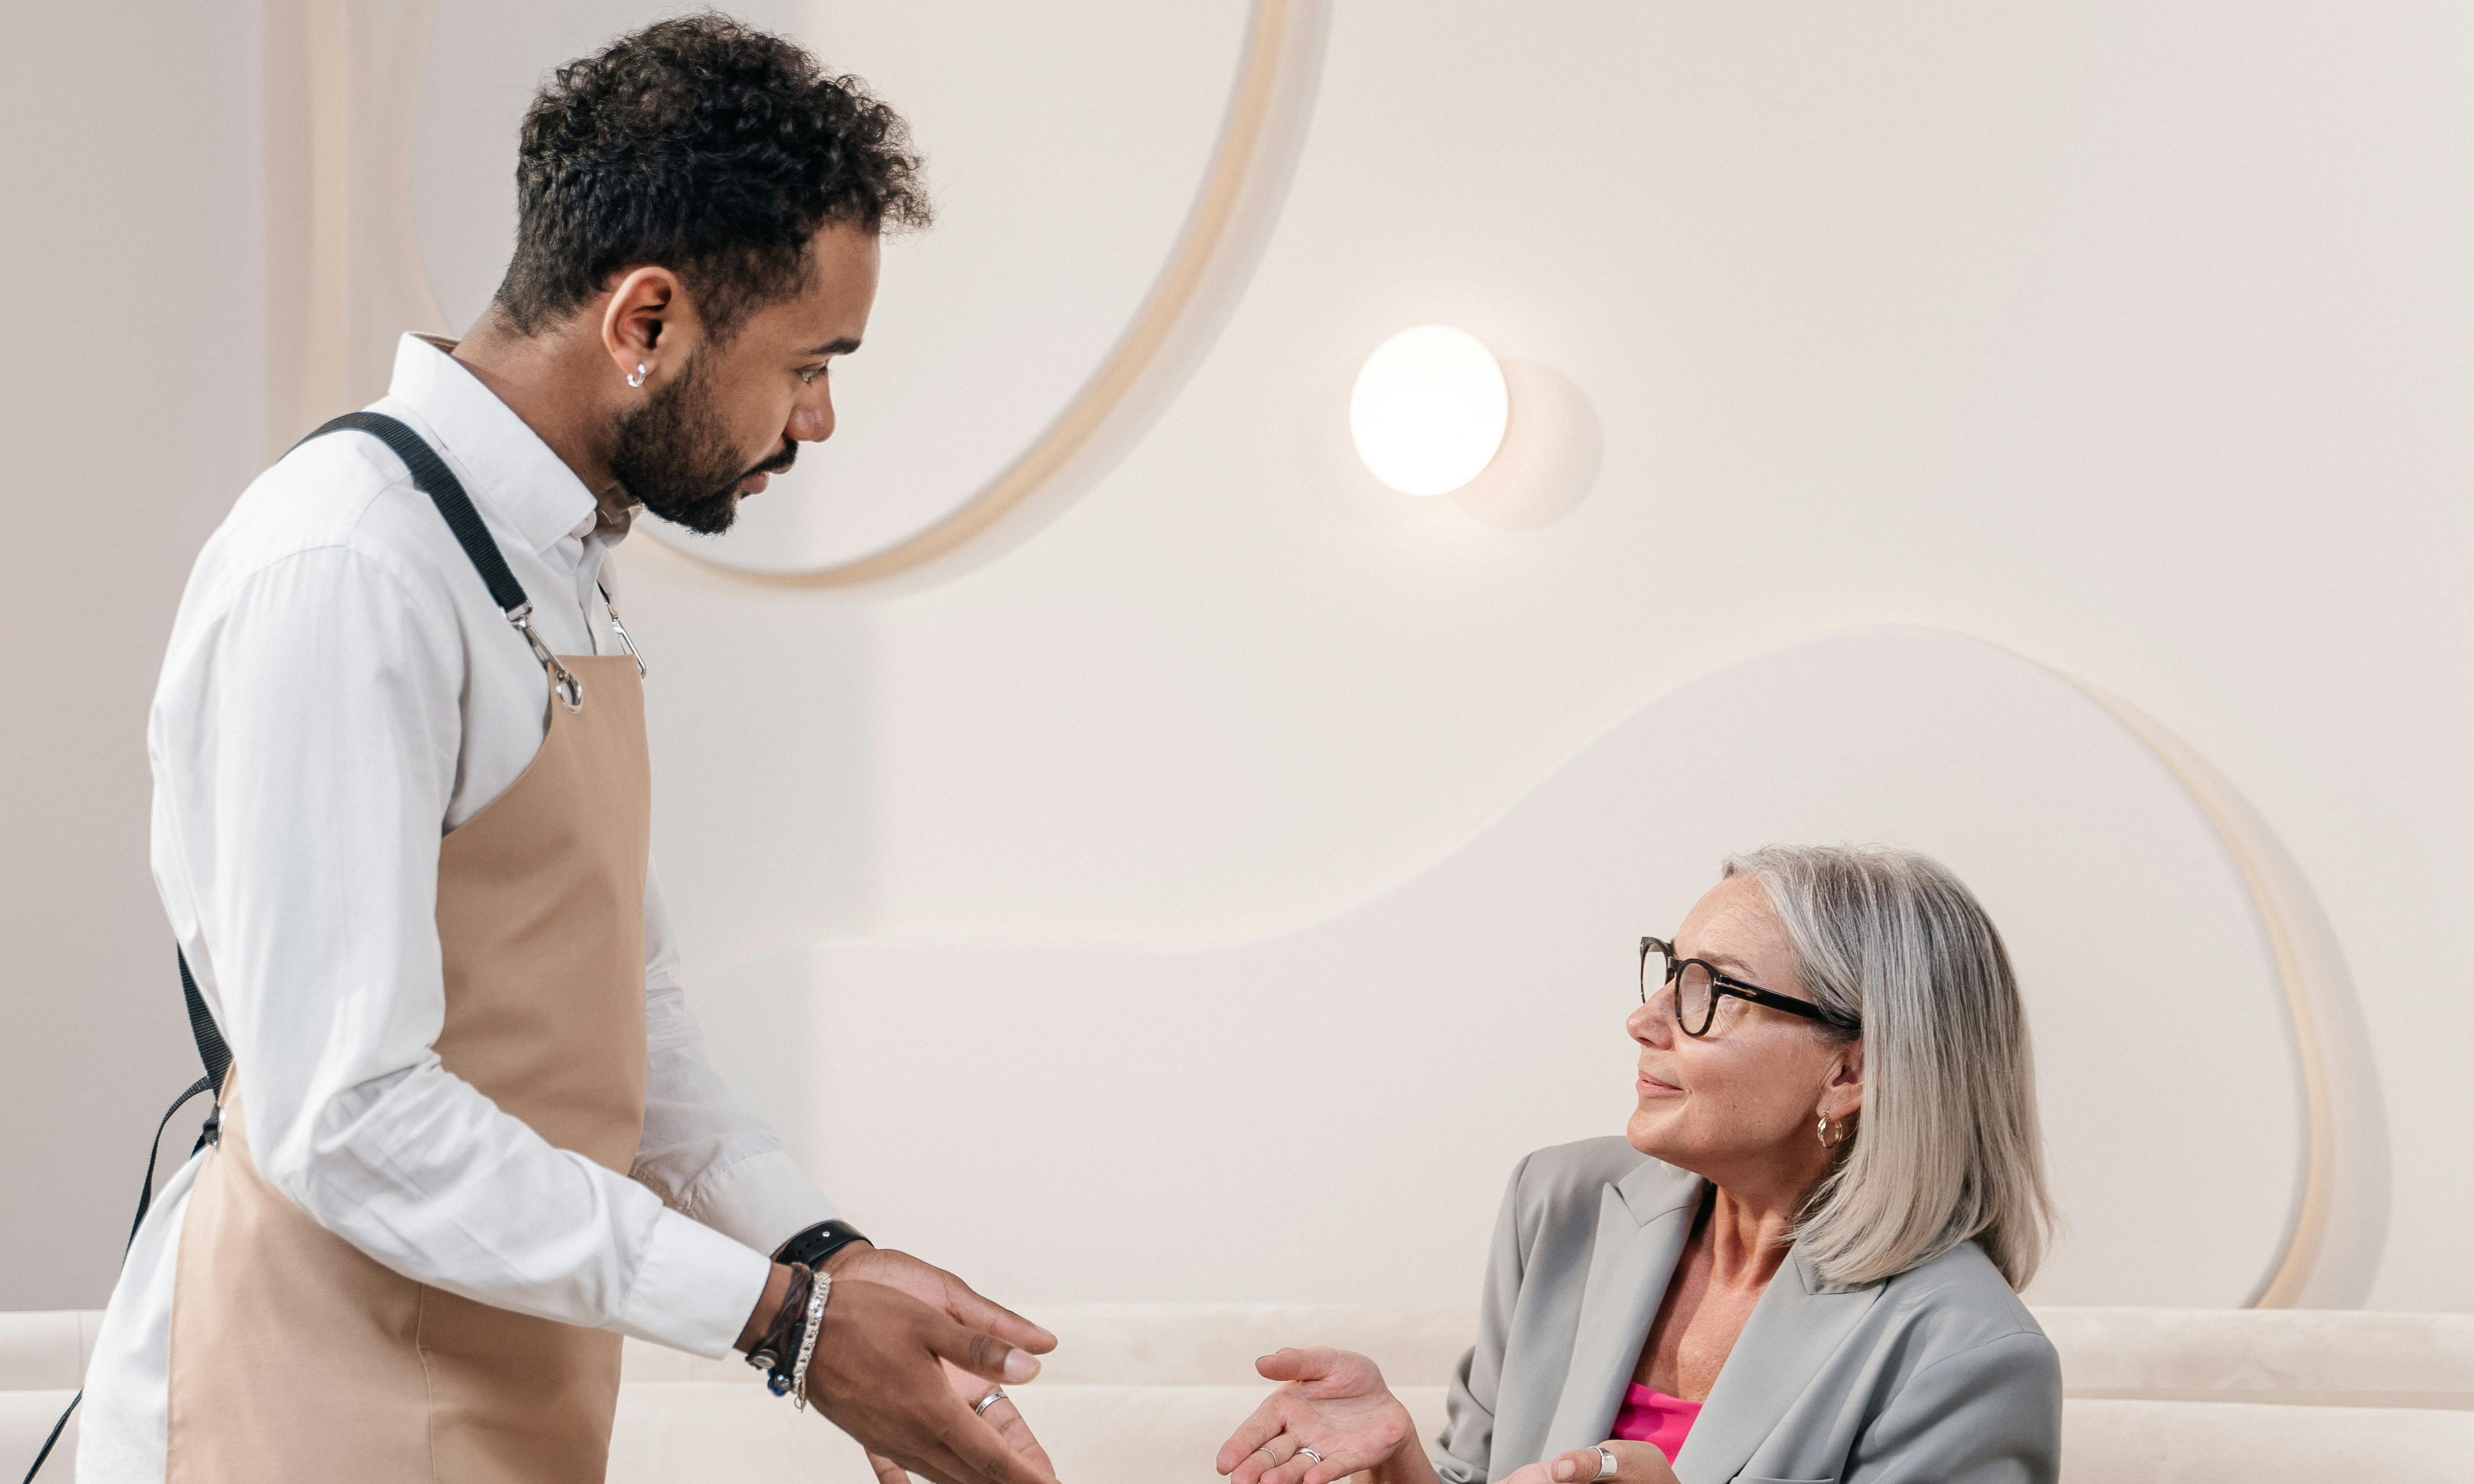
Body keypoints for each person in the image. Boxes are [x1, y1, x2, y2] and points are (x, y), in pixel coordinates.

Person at [77, 17, 1057, 1484]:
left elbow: (625, 1013)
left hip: (502, 1394)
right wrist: (785, 1324)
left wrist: (822, 1256)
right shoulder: (349, 566)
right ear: (646, 322)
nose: (821, 418)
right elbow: (346, 1116)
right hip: (296, 1396)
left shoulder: (553, 566)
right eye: (809, 362)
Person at [1216, 845, 2062, 1484]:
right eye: (1667, 972)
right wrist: (1398, 1463)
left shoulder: (1968, 1357)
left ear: (1851, 1071)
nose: (1644, 1019)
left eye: (1711, 990)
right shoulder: (1563, 1205)